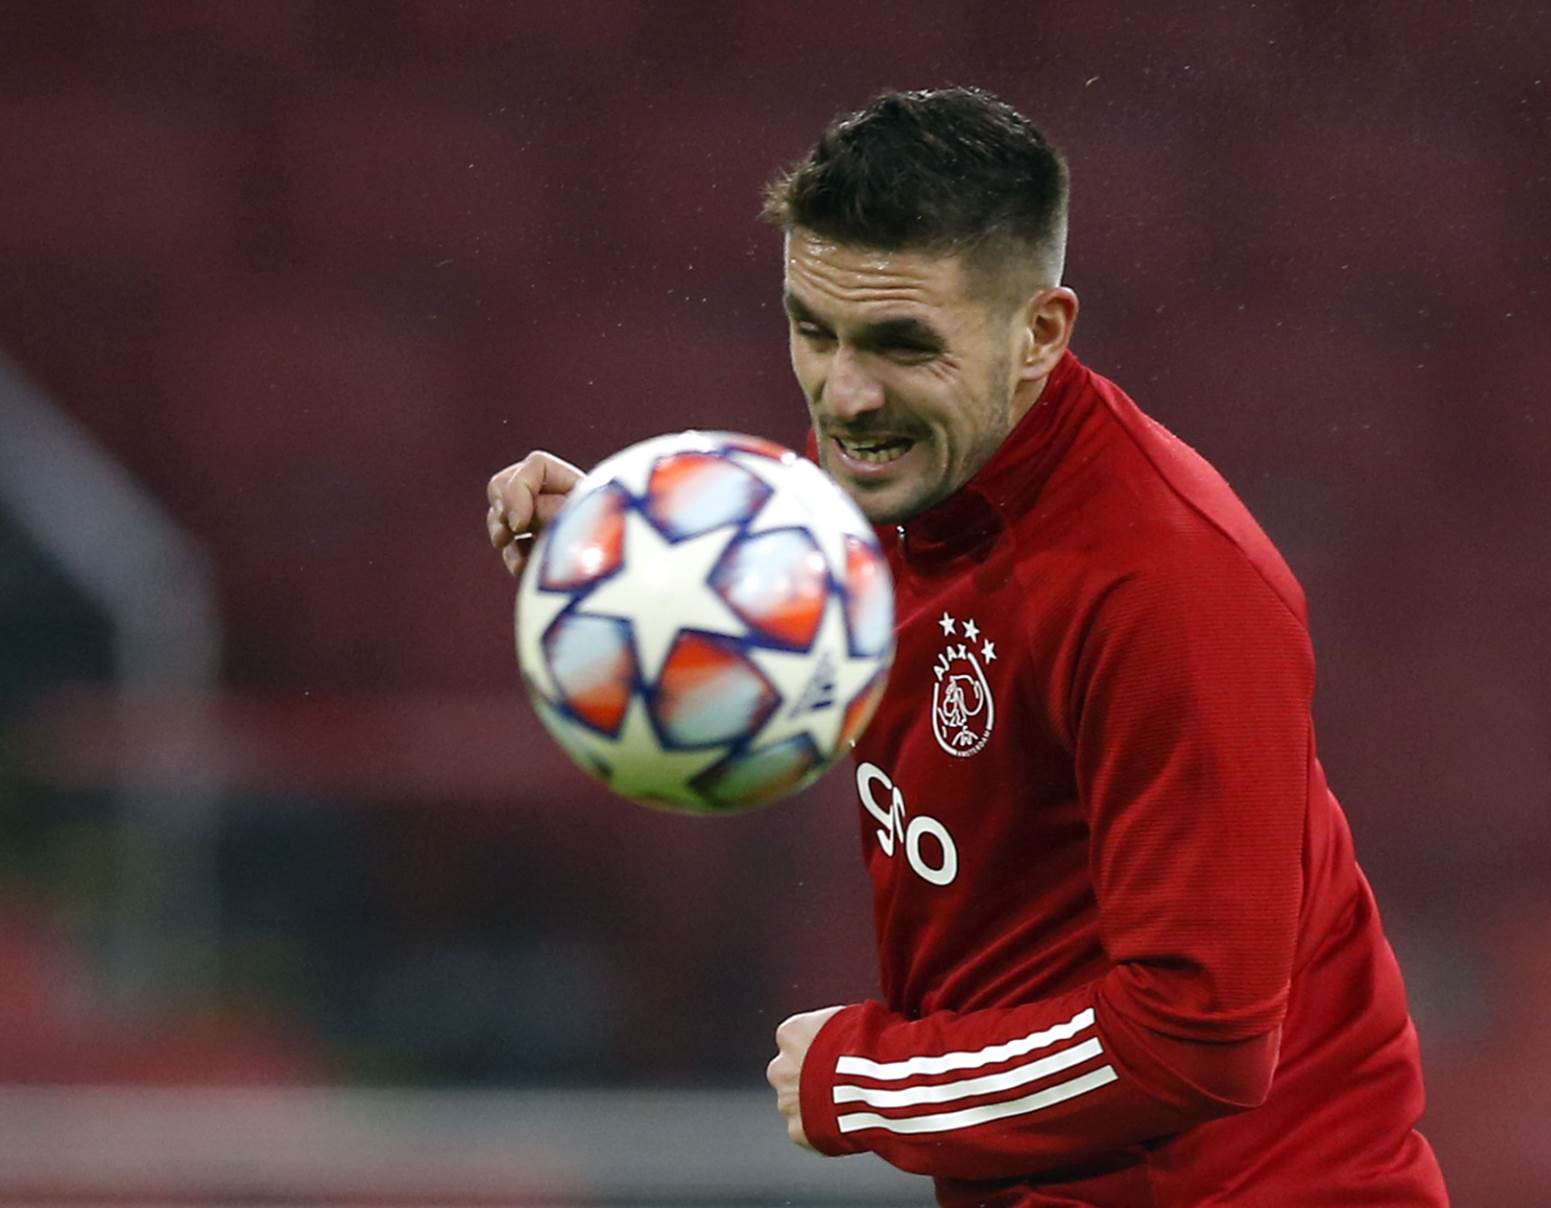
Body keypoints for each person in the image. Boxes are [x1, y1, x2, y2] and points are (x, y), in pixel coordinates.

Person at [486, 87, 1448, 1207]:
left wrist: (867, 1081)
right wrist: (633, 551)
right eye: (813, 329)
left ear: (1039, 334)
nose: (845, 395)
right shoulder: (898, 474)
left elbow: (1201, 1037)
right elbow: (828, 607)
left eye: (903, 345)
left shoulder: (1171, 587)